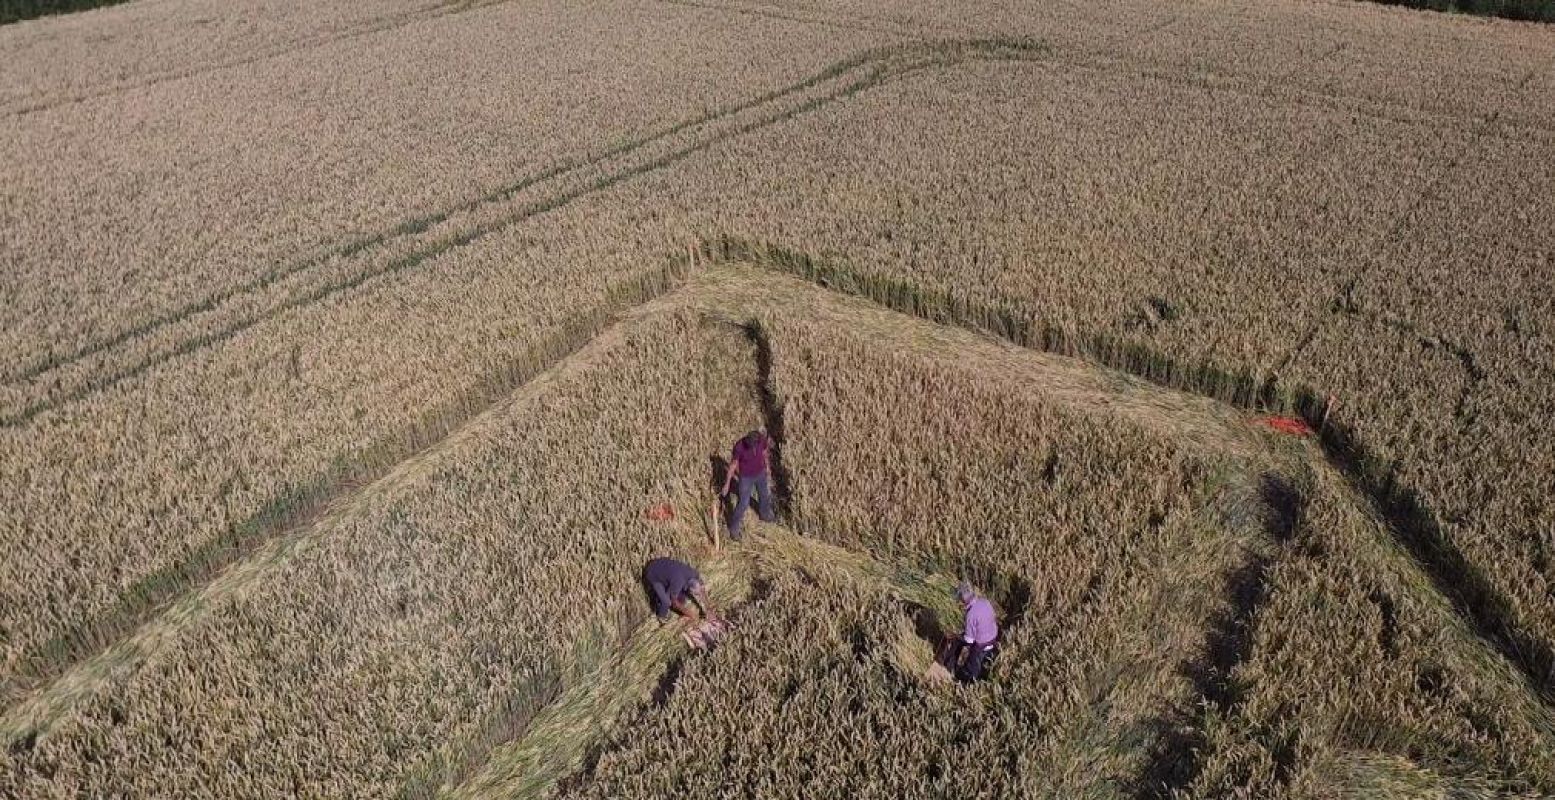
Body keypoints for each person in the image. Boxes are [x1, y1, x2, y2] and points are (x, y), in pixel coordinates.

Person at [720, 429, 775, 541]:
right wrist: (727, 484)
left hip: (760, 474)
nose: (753, 447)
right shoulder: (739, 447)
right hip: (746, 478)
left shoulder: (761, 440)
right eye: (751, 445)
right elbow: (733, 465)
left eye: (754, 445)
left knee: (764, 495)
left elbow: (764, 453)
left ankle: (765, 515)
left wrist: (767, 467)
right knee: (743, 503)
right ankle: (734, 529)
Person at [941, 582, 998, 683]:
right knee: (988, 660)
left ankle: (971, 680)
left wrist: (957, 637)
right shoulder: (984, 601)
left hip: (981, 644)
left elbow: (969, 640)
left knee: (973, 667)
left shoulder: (971, 615)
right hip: (993, 636)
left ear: (963, 600)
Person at [642, 557, 719, 623]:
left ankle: (667, 587)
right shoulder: (678, 582)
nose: (695, 596)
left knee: (682, 600)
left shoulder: (694, 574)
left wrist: (708, 609)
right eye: (694, 593)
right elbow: (674, 602)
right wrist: (690, 614)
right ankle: (661, 617)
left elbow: (701, 590)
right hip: (653, 573)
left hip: (665, 568)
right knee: (666, 602)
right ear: (689, 588)